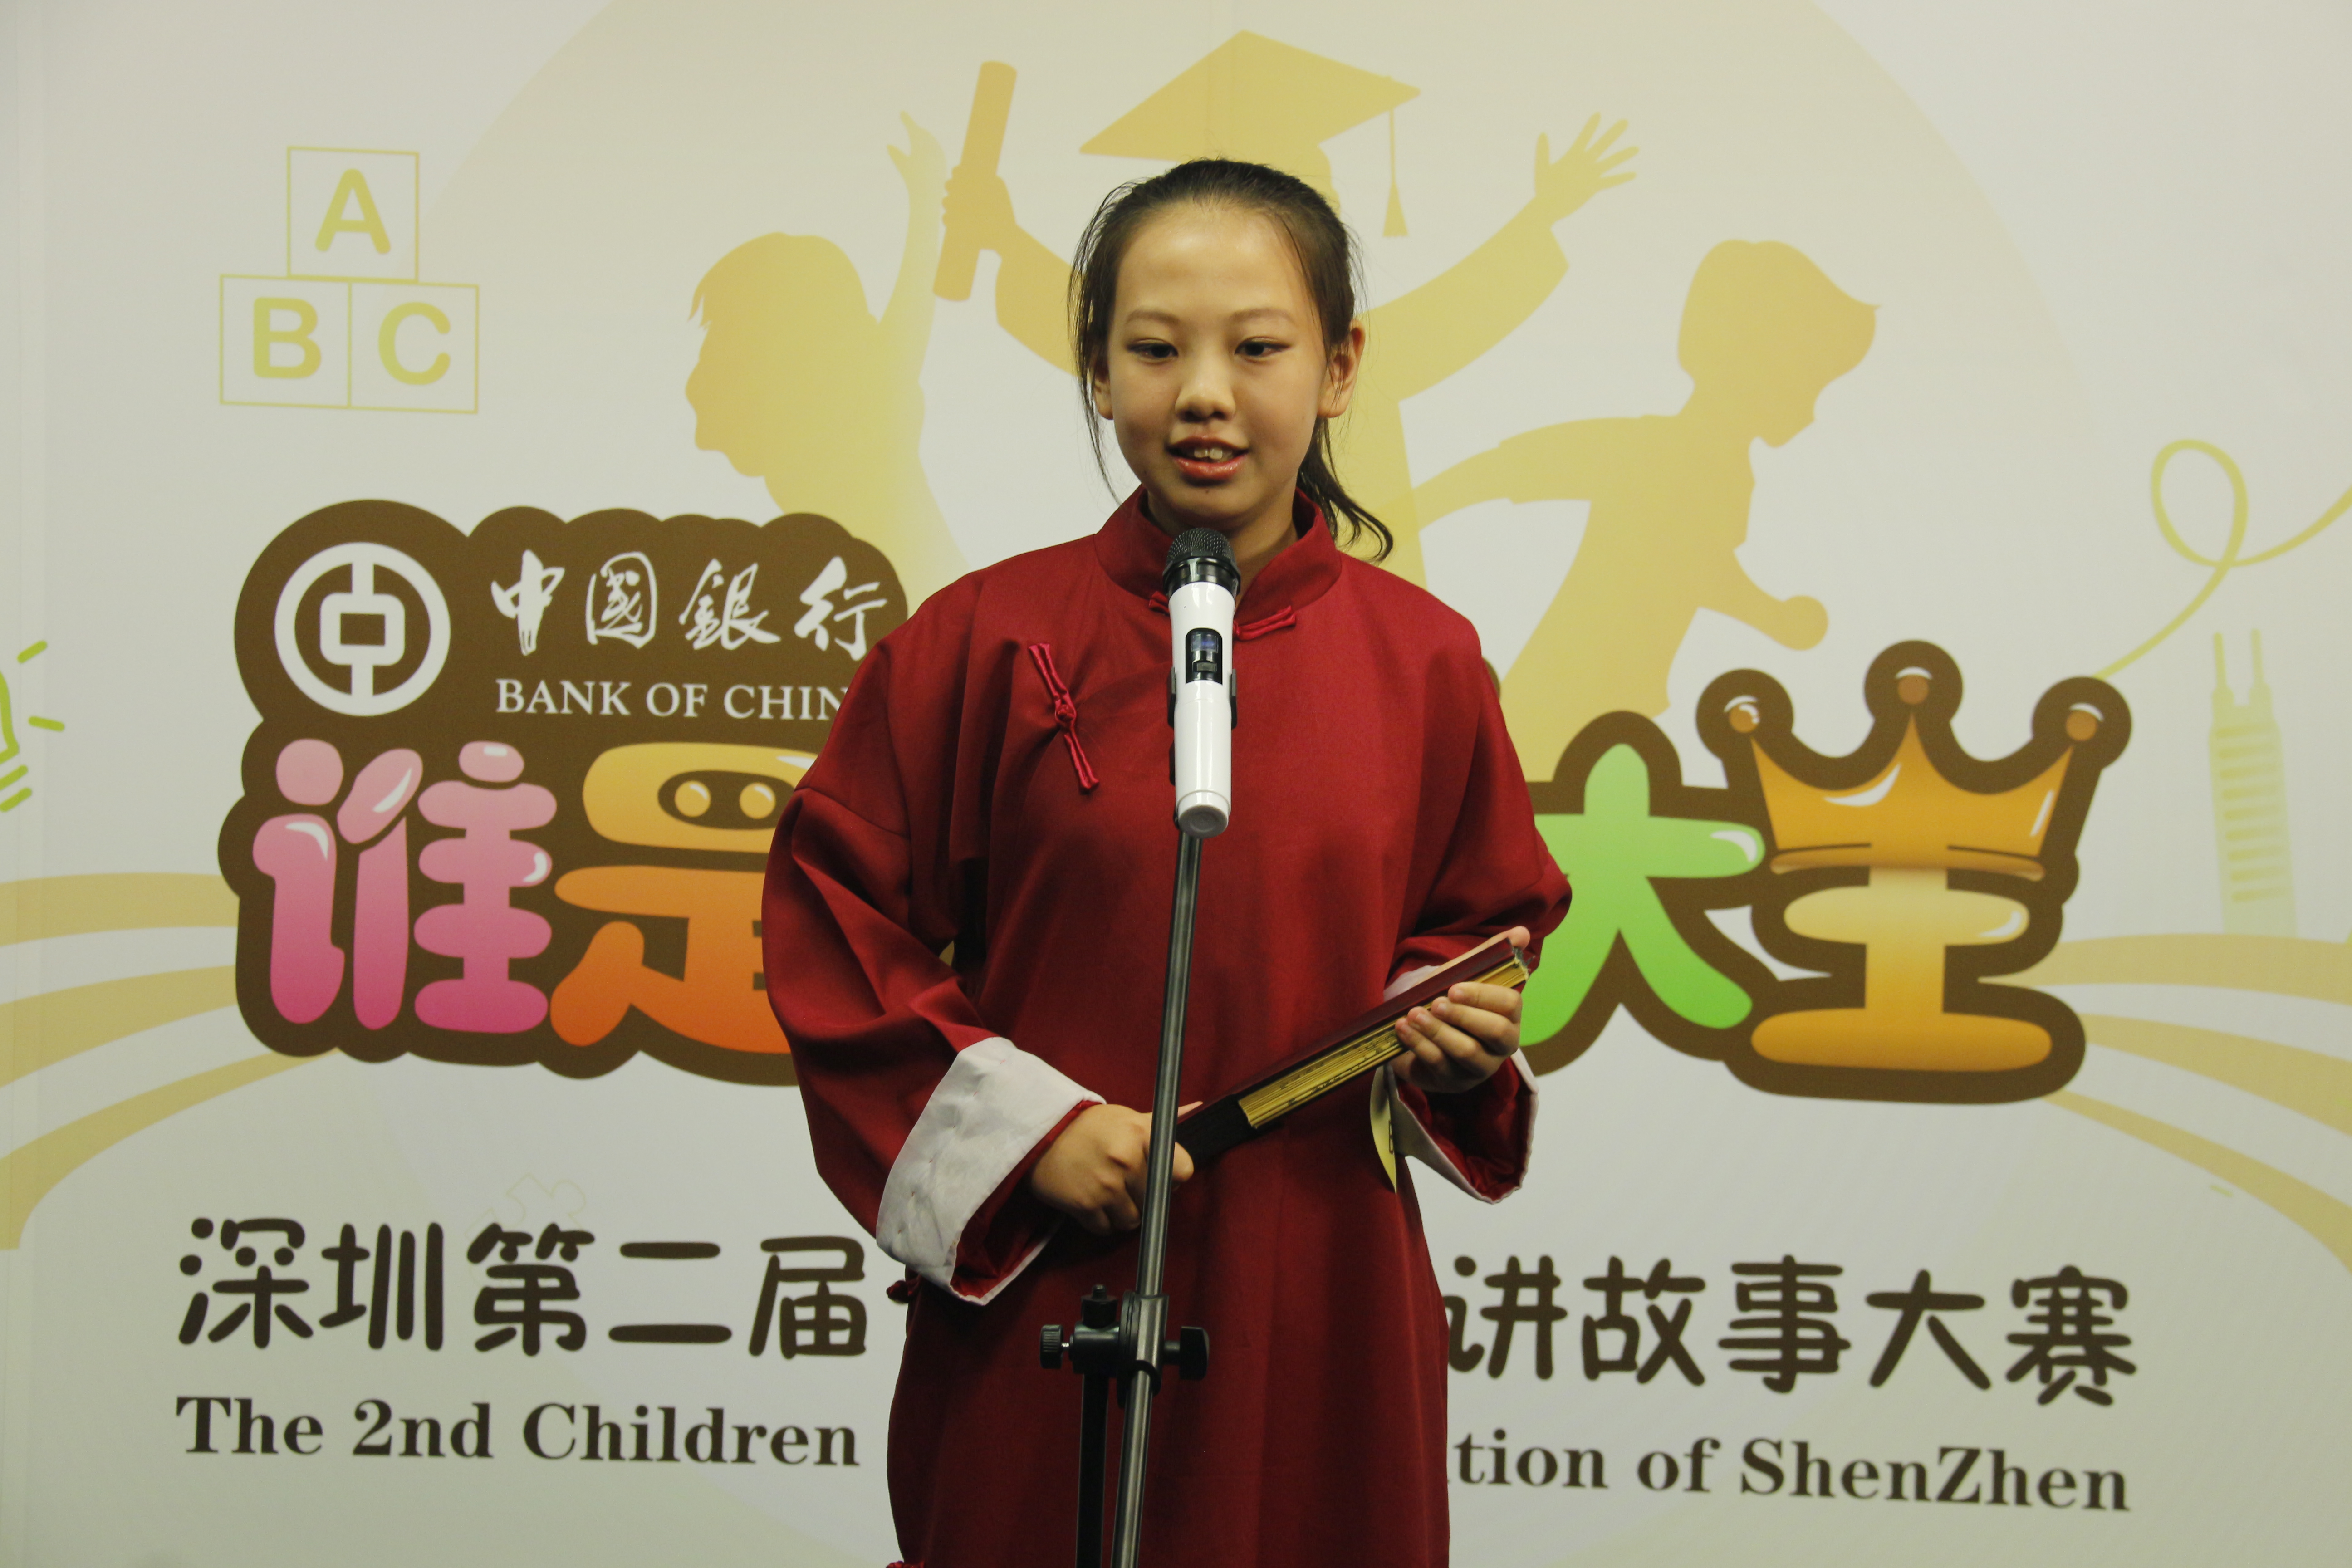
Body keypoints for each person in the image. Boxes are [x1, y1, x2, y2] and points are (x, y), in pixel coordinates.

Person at [762, 157, 1570, 1568]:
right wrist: (1031, 1138)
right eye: (1154, 349)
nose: (1205, 393)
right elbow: (837, 922)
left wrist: (1452, 1035)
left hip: (1320, 1281)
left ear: (1339, 368)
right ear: (1096, 370)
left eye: (1257, 348)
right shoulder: (980, 641)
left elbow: (1480, 926)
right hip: (1054, 1265)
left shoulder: (1425, 664)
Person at [1412, 240, 1874, 779]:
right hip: (1576, 682)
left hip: (1621, 690)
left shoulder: (1723, 467)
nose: (1810, 412)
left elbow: (1695, 564)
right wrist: (1409, 509)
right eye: (1805, 387)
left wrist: (1773, 616)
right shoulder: (1661, 449)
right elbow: (1511, 468)